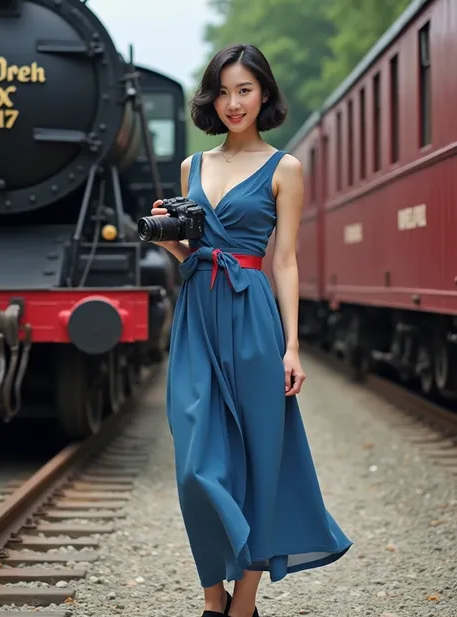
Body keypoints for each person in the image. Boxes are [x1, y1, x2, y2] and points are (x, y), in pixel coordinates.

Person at [148, 44, 352, 617]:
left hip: (254, 317)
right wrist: (168, 240)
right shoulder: (194, 166)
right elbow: (189, 248)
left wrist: (292, 345)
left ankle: (239, 604)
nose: (233, 102)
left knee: (260, 456)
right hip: (197, 313)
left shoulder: (286, 168)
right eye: (223, 91)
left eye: (245, 90)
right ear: (210, 98)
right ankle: (213, 591)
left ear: (264, 94)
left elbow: (284, 260)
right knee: (195, 465)